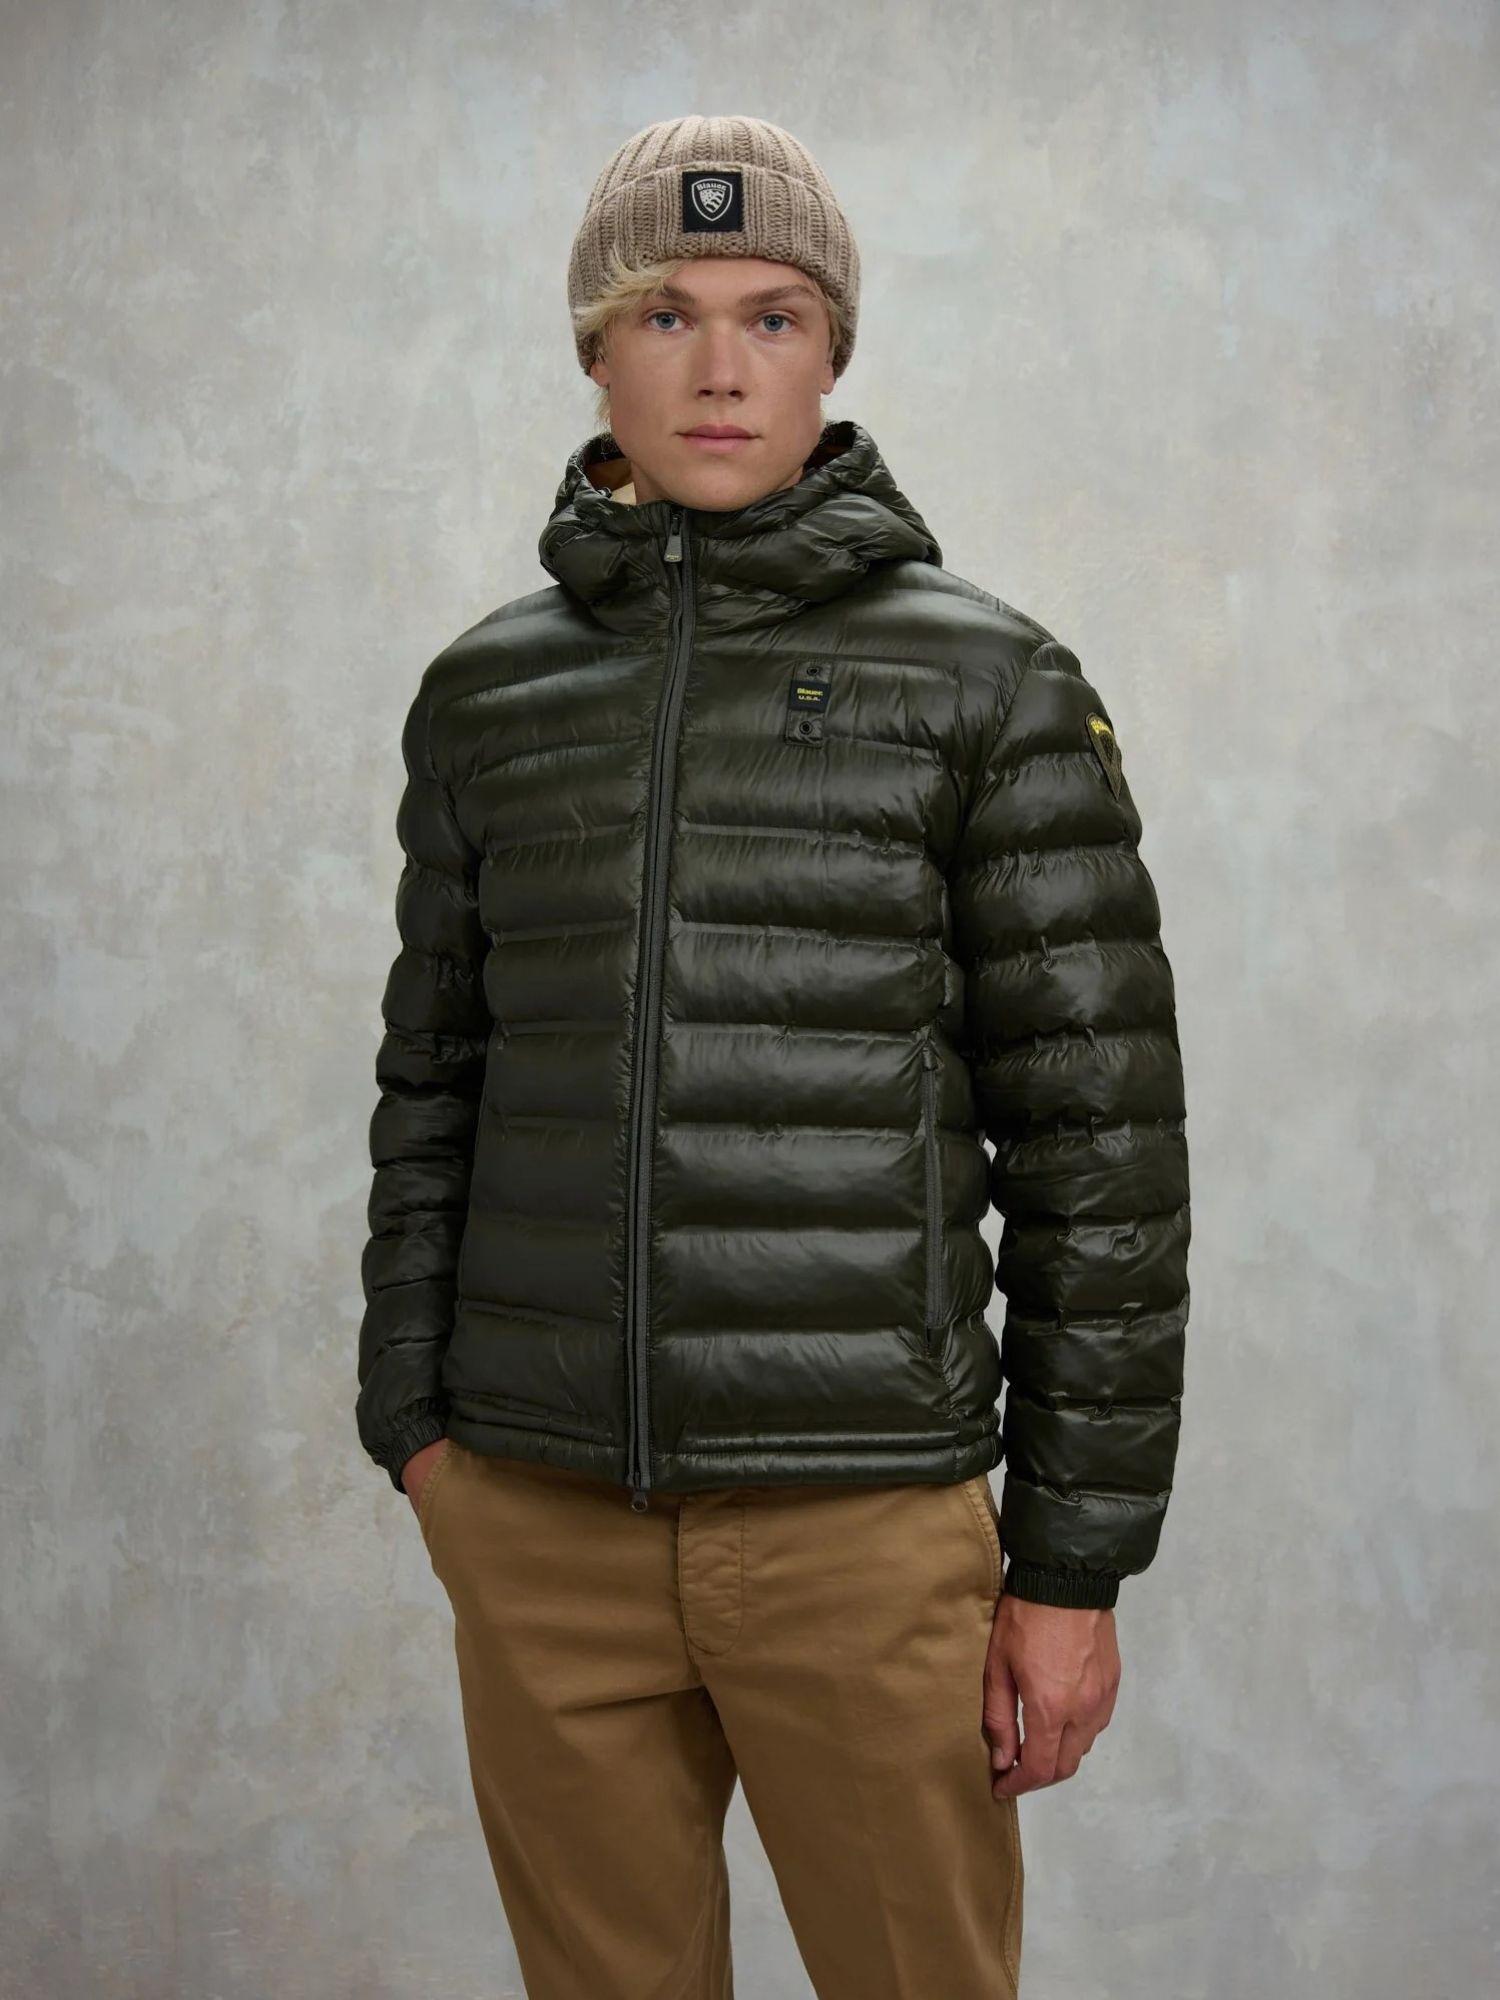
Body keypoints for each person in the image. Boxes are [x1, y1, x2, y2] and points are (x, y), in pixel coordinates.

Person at [355, 113, 1191, 2000]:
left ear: (834, 352)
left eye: (775, 315)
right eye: (666, 313)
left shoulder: (989, 685)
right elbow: (435, 1079)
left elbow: (1105, 1161)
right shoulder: (486, 696)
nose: (721, 368)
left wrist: (1070, 1569)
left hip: (864, 1526)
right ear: (596, 351)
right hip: (540, 1517)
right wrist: (418, 1427)